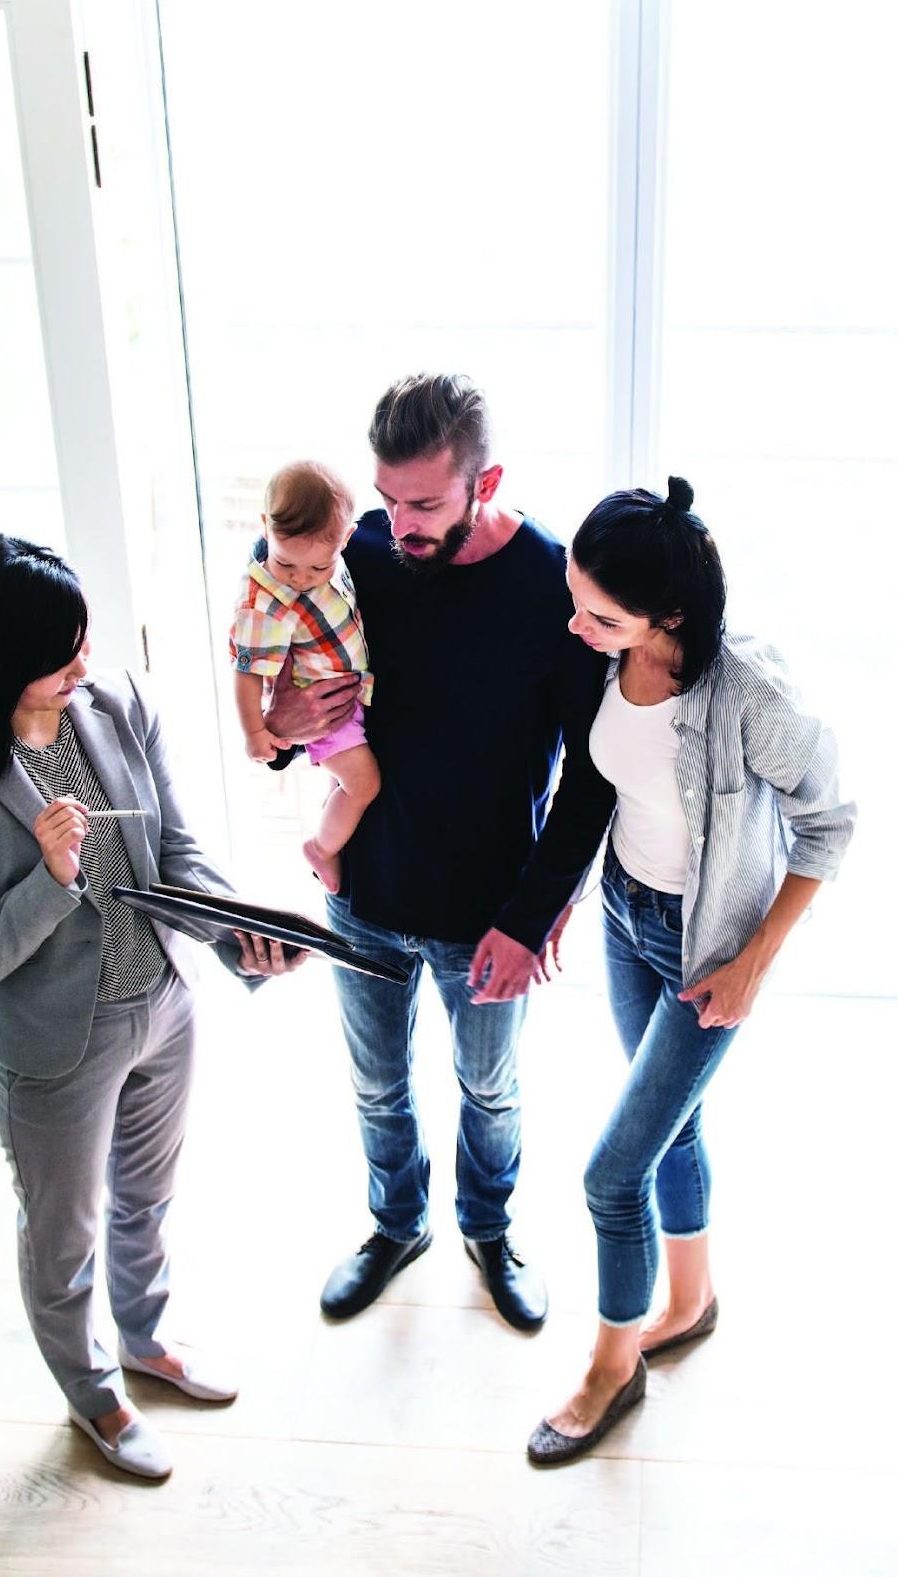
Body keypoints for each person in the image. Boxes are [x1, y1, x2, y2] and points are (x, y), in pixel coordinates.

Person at [0, 534, 308, 1482]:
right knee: (63, 1235)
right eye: (60, 653)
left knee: (147, 1199)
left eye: (83, 640)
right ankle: (91, 1392)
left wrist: (240, 933)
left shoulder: (116, 705)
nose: (84, 665)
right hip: (55, 1047)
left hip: (162, 1003)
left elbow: (175, 854)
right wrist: (52, 877)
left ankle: (146, 1339)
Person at [261, 374, 614, 1333]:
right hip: (364, 895)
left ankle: (489, 1231)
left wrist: (531, 917)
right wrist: (283, 724)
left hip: (488, 911)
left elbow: (592, 777)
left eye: (422, 504)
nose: (397, 525)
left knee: (489, 1089)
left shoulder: (552, 585)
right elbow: (287, 695)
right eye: (386, 498)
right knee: (376, 1084)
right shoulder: (354, 555)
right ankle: (396, 1224)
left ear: (484, 482)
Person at [526, 479, 855, 1466]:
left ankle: (609, 1369)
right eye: (576, 601)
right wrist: (565, 897)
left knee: (612, 1173)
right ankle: (692, 1299)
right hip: (627, 913)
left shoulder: (750, 694)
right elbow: (606, 789)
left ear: (669, 613)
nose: (577, 627)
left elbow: (830, 824)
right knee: (673, 1127)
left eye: (601, 615)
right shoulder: (607, 657)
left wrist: (754, 961)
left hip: (704, 947)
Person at [228, 460, 380, 894]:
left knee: (342, 783)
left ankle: (331, 835)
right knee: (363, 784)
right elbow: (246, 672)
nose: (299, 579)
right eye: (285, 563)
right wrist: (256, 731)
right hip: (323, 710)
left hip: (348, 698)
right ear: (264, 527)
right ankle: (321, 849)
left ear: (346, 539)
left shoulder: (334, 553)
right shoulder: (265, 602)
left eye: (317, 569)